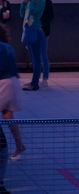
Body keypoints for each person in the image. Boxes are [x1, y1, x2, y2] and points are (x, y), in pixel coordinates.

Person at [0, 23, 26, 167]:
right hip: (12, 82)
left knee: (7, 116)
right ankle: (19, 145)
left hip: (3, 83)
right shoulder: (7, 47)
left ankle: (13, 147)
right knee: (7, 116)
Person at [19, 0, 47, 91]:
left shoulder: (41, 2)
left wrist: (31, 1)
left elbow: (31, 12)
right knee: (33, 59)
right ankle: (33, 81)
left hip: (35, 30)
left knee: (36, 59)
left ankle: (35, 83)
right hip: (28, 30)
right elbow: (22, 14)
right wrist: (23, 3)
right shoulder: (29, 2)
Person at [30, 0, 53, 88]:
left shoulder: (46, 1)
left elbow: (49, 16)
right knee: (35, 55)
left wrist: (42, 27)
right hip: (34, 30)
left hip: (42, 30)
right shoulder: (33, 2)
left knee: (42, 54)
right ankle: (37, 78)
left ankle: (45, 78)